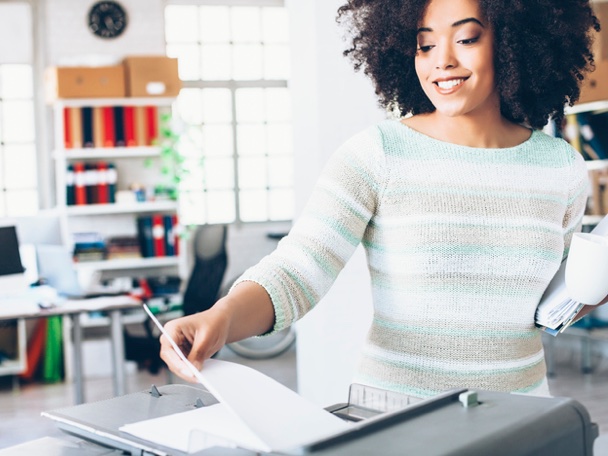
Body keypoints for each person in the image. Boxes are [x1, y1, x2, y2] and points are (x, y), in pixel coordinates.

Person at [161, 0, 601, 399]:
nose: (442, 61)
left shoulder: (560, 167)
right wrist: (219, 318)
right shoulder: (377, 154)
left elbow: (548, 301)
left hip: (523, 418)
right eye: (424, 46)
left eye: (466, 38)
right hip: (398, 418)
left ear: (513, 42)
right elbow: (298, 269)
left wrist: (591, 290)